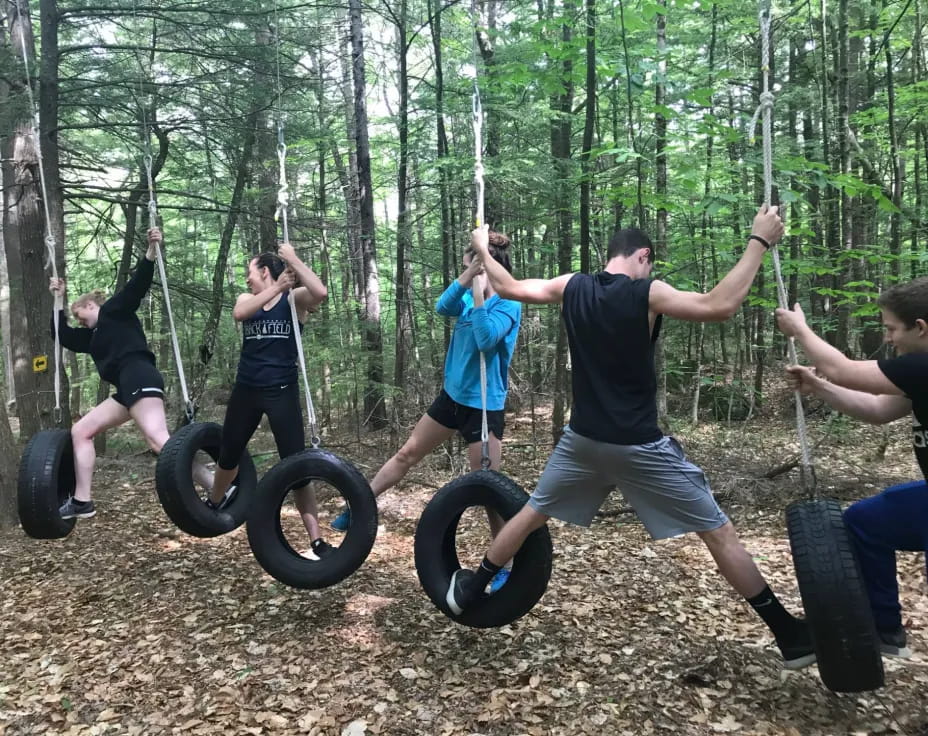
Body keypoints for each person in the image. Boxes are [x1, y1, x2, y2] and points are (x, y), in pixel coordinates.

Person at [446, 207, 816, 670]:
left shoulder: (571, 285)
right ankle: (789, 634)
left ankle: (470, 588)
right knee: (718, 533)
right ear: (643, 255)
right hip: (639, 446)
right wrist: (758, 241)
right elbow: (719, 305)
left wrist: (482, 250)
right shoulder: (648, 292)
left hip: (582, 442)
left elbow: (508, 287)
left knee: (532, 513)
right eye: (650, 263)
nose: (650, 270)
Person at [332, 232, 521, 591]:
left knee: (490, 492)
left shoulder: (509, 304)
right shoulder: (467, 296)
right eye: (467, 266)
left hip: (484, 407)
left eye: (471, 264)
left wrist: (480, 292)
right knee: (407, 453)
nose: (467, 272)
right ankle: (359, 505)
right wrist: (467, 280)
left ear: (489, 265)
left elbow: (485, 341)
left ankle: (506, 565)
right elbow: (441, 307)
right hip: (451, 399)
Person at [776, 281, 928, 659]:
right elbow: (878, 411)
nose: (889, 338)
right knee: (865, 521)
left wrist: (800, 329)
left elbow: (839, 368)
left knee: (866, 520)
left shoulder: (924, 365)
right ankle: (885, 630)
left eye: (892, 329)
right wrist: (818, 386)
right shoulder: (919, 375)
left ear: (921, 328)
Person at [50, 228, 212, 519]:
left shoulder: (114, 311)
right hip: (126, 389)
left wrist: (151, 250)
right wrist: (59, 300)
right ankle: (82, 501)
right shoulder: (92, 337)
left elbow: (137, 286)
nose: (79, 321)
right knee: (81, 431)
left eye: (79, 315)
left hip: (140, 375)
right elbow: (61, 335)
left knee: (160, 441)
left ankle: (218, 486)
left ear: (91, 305)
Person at [206, 244, 335, 557]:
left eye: (250, 272)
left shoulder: (293, 301)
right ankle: (214, 503)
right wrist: (276, 286)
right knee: (228, 454)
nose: (247, 279)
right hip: (246, 391)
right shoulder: (246, 299)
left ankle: (316, 540)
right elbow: (240, 314)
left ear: (264, 270)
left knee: (297, 468)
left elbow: (320, 292)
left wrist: (291, 260)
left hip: (282, 393)